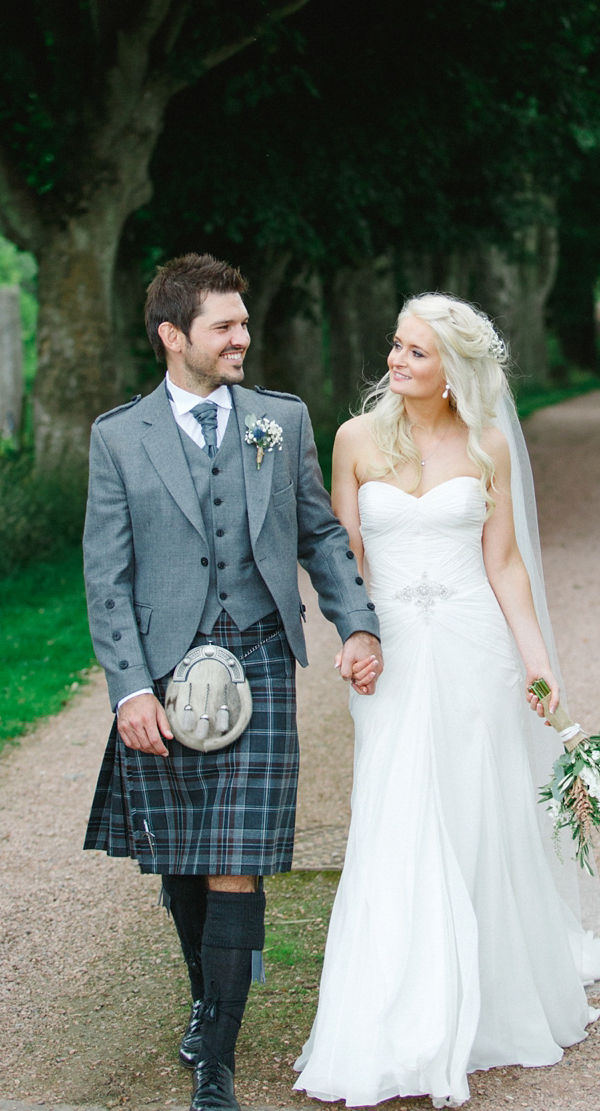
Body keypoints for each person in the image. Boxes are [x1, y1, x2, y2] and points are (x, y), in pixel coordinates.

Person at [293, 293, 600, 1109]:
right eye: (396, 346)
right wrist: (354, 638)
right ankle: (394, 1010)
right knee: (395, 811)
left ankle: (488, 999)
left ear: (454, 372)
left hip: (475, 647)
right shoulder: (356, 439)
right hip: (394, 655)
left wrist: (538, 661)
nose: (396, 362)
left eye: (415, 353)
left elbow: (505, 564)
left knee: (476, 810)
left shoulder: (485, 446)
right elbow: (345, 559)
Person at [83, 253, 382, 1111]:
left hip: (256, 654)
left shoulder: (279, 423)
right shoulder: (119, 436)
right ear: (175, 336)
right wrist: (130, 689)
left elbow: (321, 536)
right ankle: (206, 999)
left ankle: (217, 1057)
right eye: (225, 325)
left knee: (236, 861)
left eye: (244, 323)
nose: (243, 337)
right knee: (182, 859)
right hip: (165, 671)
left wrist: (356, 620)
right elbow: (107, 577)